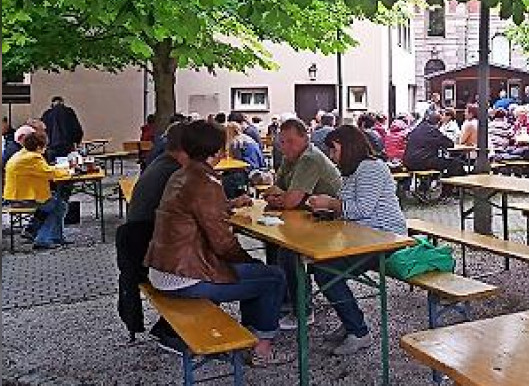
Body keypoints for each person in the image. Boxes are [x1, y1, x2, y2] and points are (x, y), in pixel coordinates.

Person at [144, 121, 292, 366]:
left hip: (162, 269)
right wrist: (249, 261)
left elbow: (190, 211)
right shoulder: (206, 183)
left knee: (256, 274)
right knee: (273, 277)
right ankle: (262, 350)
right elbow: (223, 243)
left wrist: (227, 205)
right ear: (217, 150)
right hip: (185, 277)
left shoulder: (180, 175)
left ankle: (251, 334)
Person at [305, 125, 406, 356]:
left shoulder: (371, 168)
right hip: (364, 237)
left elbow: (362, 209)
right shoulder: (353, 172)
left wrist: (330, 204)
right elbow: (350, 209)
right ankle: (349, 317)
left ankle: (359, 332)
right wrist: (327, 206)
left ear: (348, 147)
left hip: (385, 239)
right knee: (317, 262)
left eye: (334, 150)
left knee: (325, 270)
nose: (332, 156)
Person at [263, 118, 343, 328]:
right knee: (272, 241)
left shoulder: (310, 158)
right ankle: (287, 299)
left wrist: (283, 198)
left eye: (290, 141)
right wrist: (283, 197)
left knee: (289, 251)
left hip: (333, 222)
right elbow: (274, 192)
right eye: (282, 142)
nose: (285, 146)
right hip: (307, 217)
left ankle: (303, 310)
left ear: (305, 138)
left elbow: (289, 201)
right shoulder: (291, 158)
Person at [115, 122, 188, 342]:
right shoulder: (174, 172)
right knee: (216, 273)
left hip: (137, 246)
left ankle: (169, 327)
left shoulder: (158, 163)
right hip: (150, 253)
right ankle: (171, 330)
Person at [3, 131, 72, 249]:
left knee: (60, 205)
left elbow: (43, 170)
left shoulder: (22, 154)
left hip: (16, 195)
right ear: (39, 146)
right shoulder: (32, 158)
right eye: (45, 146)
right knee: (55, 205)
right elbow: (48, 173)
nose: (45, 149)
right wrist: (68, 171)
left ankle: (53, 236)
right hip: (22, 198)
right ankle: (43, 239)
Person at [403, 110, 464, 175]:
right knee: (456, 163)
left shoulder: (417, 128)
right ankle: (448, 183)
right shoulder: (433, 130)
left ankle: (429, 182)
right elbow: (450, 144)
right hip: (422, 162)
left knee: (439, 161)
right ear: (438, 123)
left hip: (408, 162)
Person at [40, 96, 84, 160]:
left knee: (53, 166)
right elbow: (77, 129)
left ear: (52, 103)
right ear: (62, 102)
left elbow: (42, 131)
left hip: (51, 147)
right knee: (68, 166)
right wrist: (77, 142)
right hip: (67, 146)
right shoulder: (69, 112)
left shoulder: (47, 114)